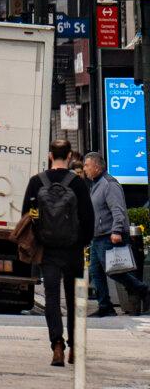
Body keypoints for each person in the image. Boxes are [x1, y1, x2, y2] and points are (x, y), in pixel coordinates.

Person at [21, 139, 94, 367]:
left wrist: (40, 237)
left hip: (48, 250)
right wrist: (81, 242)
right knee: (73, 299)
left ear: (50, 155)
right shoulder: (78, 184)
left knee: (51, 298)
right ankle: (74, 347)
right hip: (72, 250)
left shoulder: (36, 182)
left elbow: (28, 215)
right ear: (70, 155)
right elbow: (88, 218)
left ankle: (57, 346)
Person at [83, 152, 150, 317]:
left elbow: (118, 210)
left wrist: (117, 230)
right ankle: (105, 306)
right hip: (98, 236)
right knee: (95, 272)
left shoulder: (109, 184)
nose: (85, 169)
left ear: (97, 167)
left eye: (87, 165)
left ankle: (144, 290)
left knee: (114, 271)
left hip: (109, 235)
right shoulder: (95, 185)